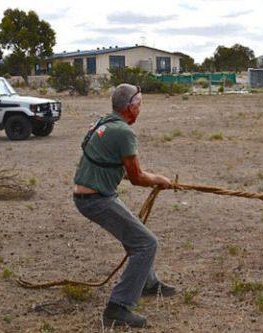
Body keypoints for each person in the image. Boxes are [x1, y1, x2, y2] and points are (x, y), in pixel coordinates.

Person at [73, 83, 176, 328]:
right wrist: (159, 180)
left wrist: (155, 179)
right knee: (146, 243)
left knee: (137, 235)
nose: (141, 108)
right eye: (139, 104)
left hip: (93, 194)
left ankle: (147, 283)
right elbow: (137, 177)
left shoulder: (102, 122)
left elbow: (126, 172)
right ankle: (117, 308)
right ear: (130, 107)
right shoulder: (123, 133)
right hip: (96, 199)